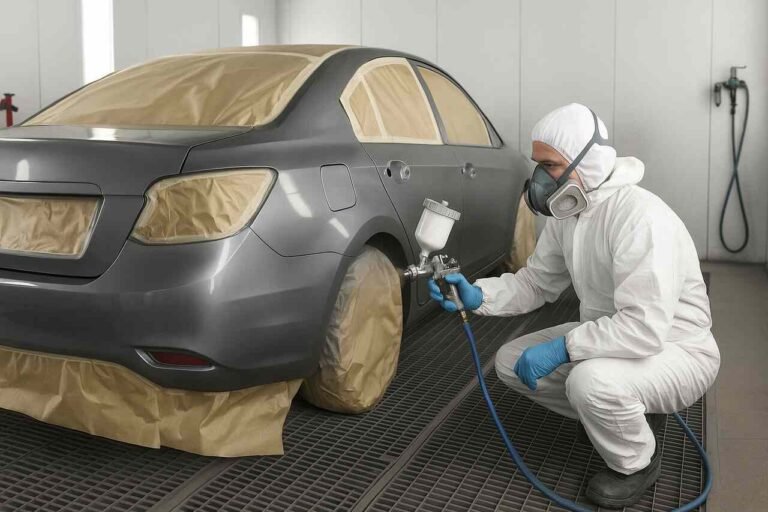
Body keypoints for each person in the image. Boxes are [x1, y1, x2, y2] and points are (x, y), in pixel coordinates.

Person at [428, 103, 720, 508]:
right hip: (612, 339)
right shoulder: (570, 214)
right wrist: (479, 296)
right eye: (538, 165)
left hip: (675, 348)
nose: (539, 179)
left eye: (550, 165)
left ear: (590, 161)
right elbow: (537, 282)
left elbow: (644, 328)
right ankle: (622, 413)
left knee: (590, 384)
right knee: (511, 361)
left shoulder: (640, 218)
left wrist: (564, 348)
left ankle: (637, 461)